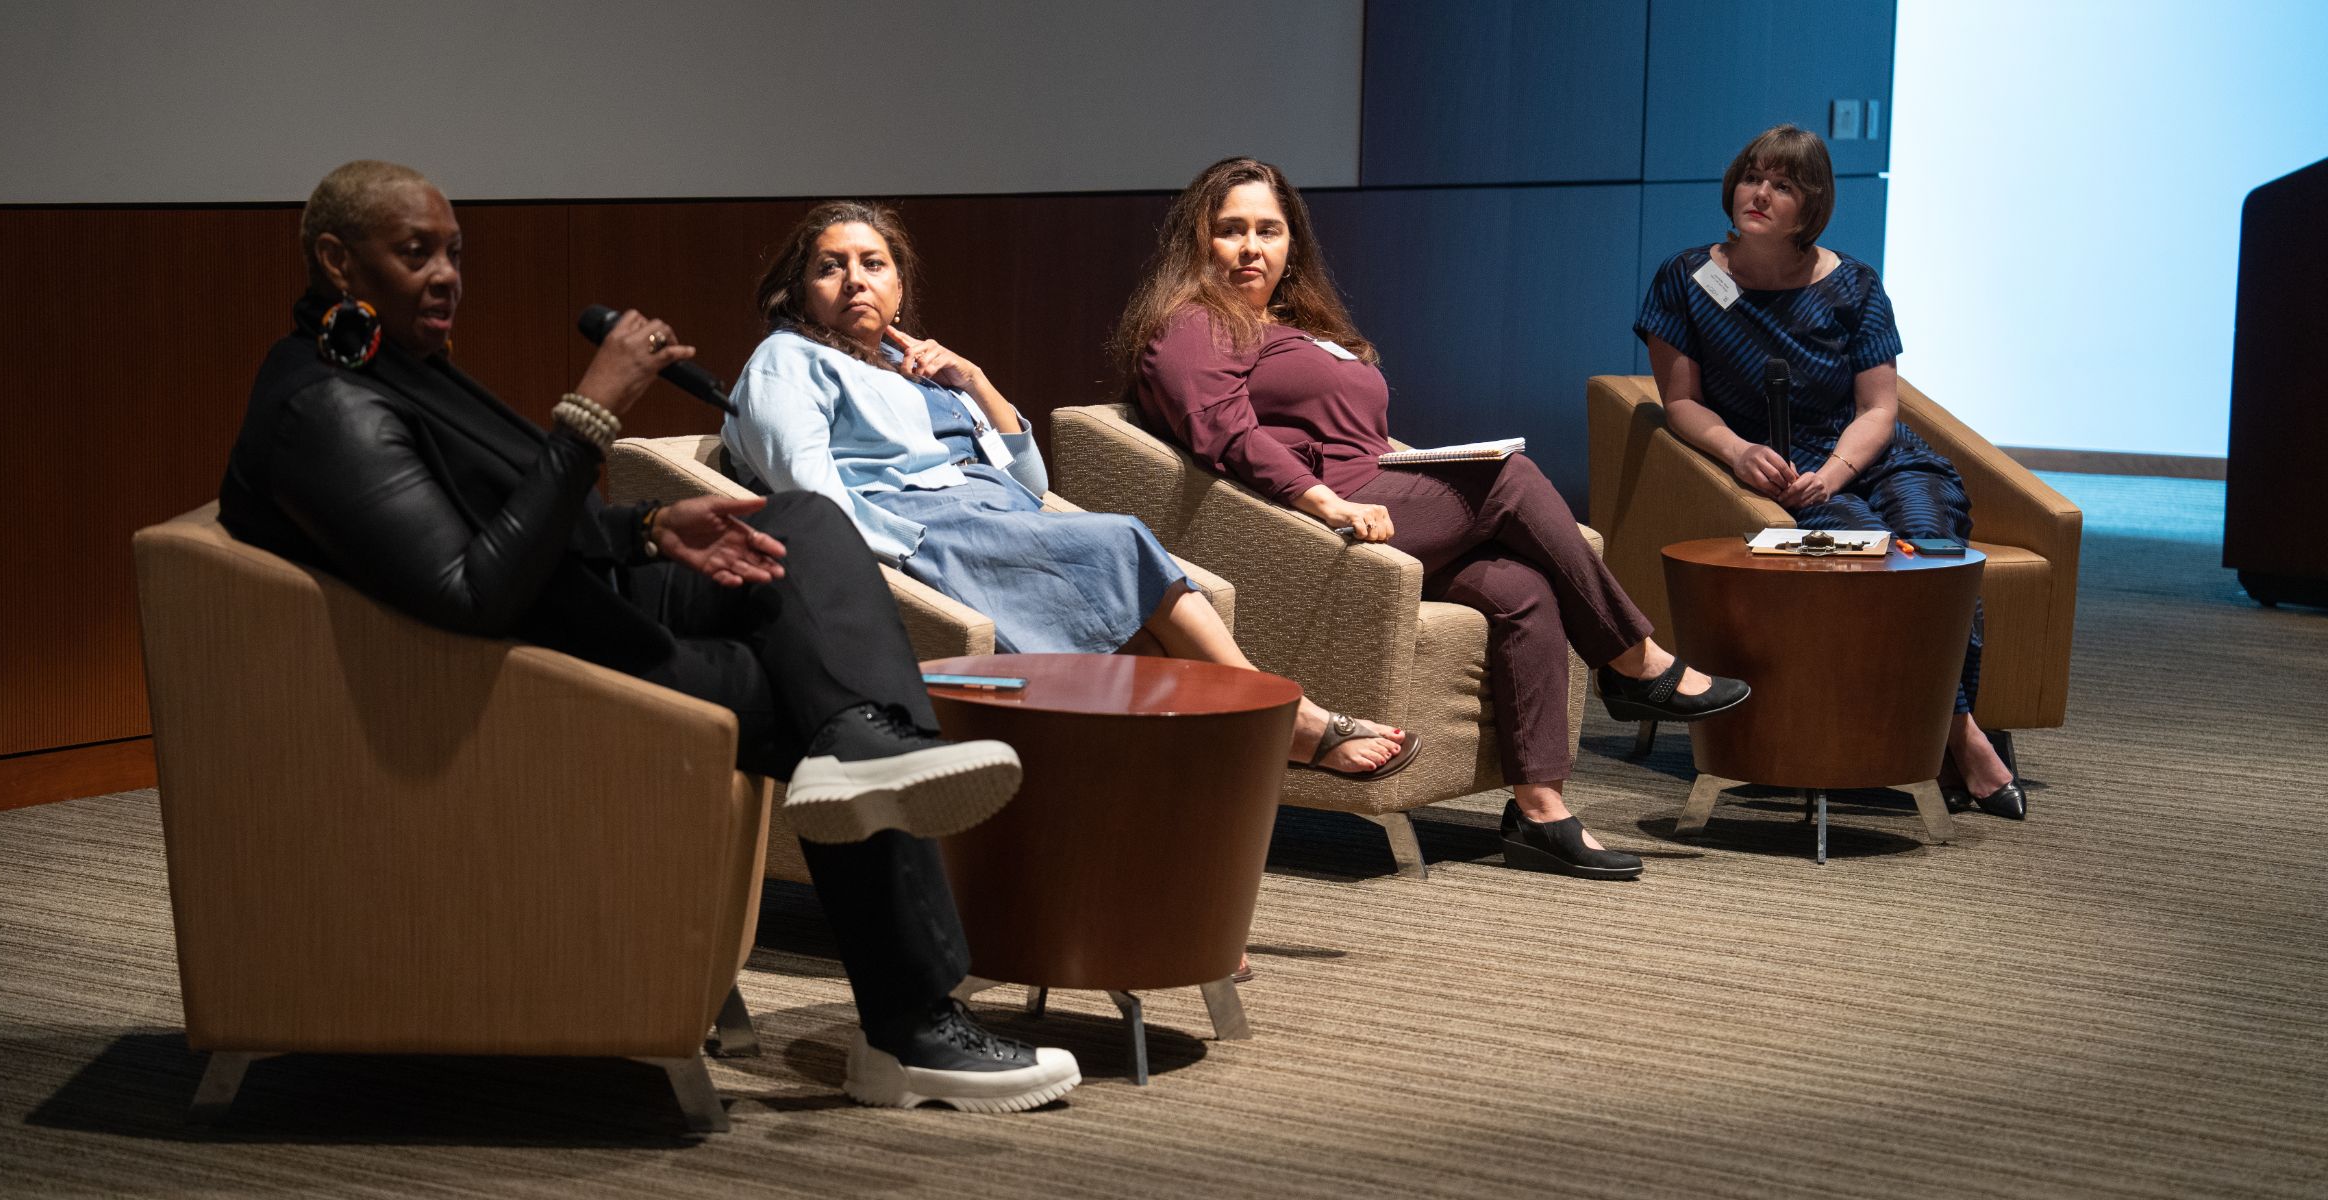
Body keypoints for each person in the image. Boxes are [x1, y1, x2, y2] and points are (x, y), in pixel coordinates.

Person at [218, 160, 1081, 1113]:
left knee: (801, 528)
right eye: (415, 252)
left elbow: (495, 515)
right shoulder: (325, 406)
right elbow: (472, 592)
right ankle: (911, 1021)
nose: (446, 276)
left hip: (583, 596)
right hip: (529, 663)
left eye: (454, 252)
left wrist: (645, 529)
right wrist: (593, 410)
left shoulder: (389, 363)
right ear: (338, 261)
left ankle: (866, 744)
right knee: (791, 682)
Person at [1116, 157, 1751, 882]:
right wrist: (1325, 502)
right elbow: (1223, 432)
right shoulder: (1192, 324)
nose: (1251, 248)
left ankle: (1542, 812)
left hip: (1377, 492)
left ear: (1294, 243)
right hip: (1313, 514)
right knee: (1507, 478)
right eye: (1231, 231)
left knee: (1522, 589)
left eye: (1269, 230)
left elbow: (1356, 429)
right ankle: (1635, 660)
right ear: (1199, 241)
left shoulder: (1292, 323)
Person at [721, 200, 1418, 783]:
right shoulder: (789, 359)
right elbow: (807, 492)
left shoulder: (912, 368)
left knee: (1147, 652)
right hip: (924, 526)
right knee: (1120, 541)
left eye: (874, 264)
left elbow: (1028, 486)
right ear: (799, 289)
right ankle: (1278, 716)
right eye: (830, 267)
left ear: (900, 284)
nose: (855, 281)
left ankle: (1224, 781)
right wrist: (908, 546)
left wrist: (975, 383)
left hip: (993, 512)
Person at [1633, 125, 2025, 821]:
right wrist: (1737, 451)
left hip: (1867, 457)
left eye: (1783, 185)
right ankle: (1964, 740)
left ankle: (1944, 732)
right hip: (1781, 468)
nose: (1759, 193)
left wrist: (1841, 468)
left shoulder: (1854, 284)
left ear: (1811, 206)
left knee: (1932, 550)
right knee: (1869, 559)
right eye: (1753, 176)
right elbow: (1681, 402)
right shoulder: (1687, 278)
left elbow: (1879, 407)